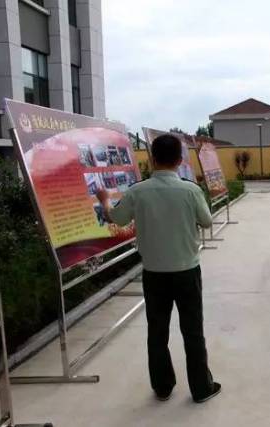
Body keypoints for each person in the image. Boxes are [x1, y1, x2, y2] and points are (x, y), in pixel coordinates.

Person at [96, 134, 221, 403]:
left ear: (152, 159)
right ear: (180, 160)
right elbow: (207, 221)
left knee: (157, 331)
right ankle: (201, 388)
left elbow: (116, 217)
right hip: (187, 271)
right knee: (193, 331)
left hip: (154, 273)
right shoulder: (190, 190)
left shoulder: (137, 191)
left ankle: (163, 386)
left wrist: (105, 199)